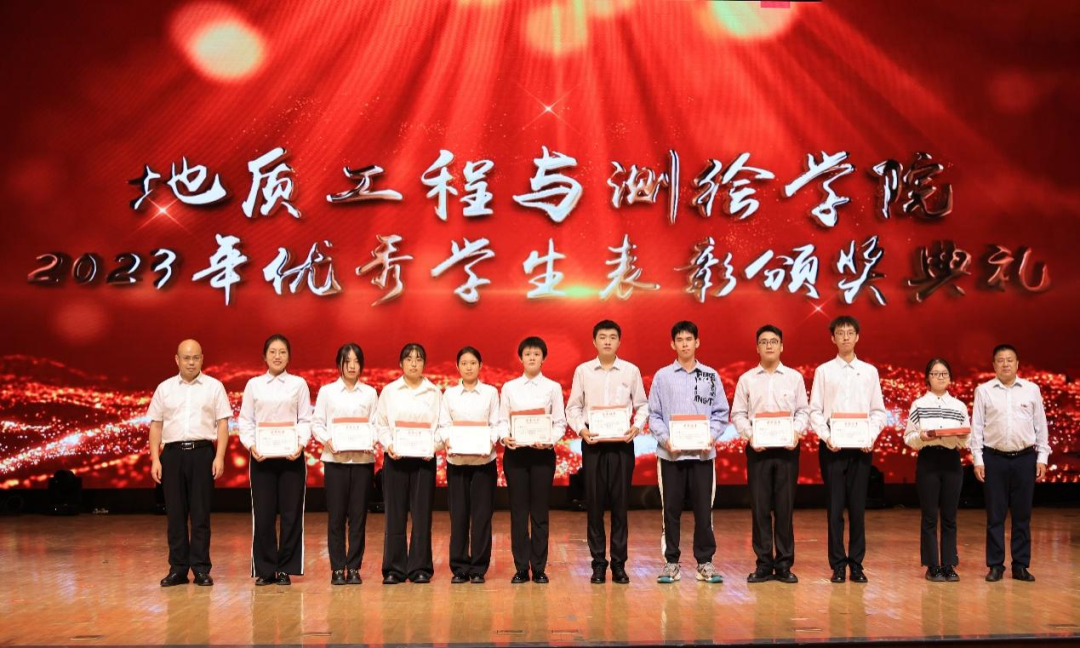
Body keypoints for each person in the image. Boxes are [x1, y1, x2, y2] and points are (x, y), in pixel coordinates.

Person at [565, 320, 648, 585]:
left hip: (622, 445)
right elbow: (573, 408)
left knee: (621, 507)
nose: (608, 341)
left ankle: (619, 565)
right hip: (593, 444)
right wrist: (581, 430)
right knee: (594, 506)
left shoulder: (631, 371)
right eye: (602, 337)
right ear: (594, 341)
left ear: (619, 341)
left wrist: (636, 427)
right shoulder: (583, 371)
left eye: (613, 337)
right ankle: (598, 564)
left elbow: (642, 405)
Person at [648, 321, 728, 585]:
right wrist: (666, 439)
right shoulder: (662, 377)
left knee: (704, 511)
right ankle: (671, 562)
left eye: (689, 339)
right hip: (670, 456)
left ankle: (705, 562)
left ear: (697, 342)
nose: (684, 344)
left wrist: (711, 436)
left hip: (703, 456)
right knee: (670, 511)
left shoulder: (711, 376)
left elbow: (721, 413)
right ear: (672, 344)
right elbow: (653, 415)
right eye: (680, 339)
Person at [808, 316, 887, 583]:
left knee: (857, 508)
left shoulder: (869, 372)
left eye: (850, 332)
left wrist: (870, 436)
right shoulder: (824, 371)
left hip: (861, 447)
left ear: (857, 337)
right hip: (833, 445)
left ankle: (857, 563)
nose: (845, 337)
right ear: (833, 338)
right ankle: (838, 564)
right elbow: (815, 410)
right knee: (835, 508)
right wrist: (827, 436)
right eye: (840, 333)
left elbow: (878, 411)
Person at [148, 339, 232, 587]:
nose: (191, 362)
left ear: (202, 359)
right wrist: (155, 459)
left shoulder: (214, 387)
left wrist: (219, 456)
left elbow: (223, 424)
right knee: (175, 514)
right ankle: (178, 569)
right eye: (186, 358)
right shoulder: (164, 388)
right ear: (177, 360)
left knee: (200, 514)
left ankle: (201, 568)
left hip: (202, 453)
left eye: (195, 357)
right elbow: (156, 425)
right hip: (172, 454)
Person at [731, 324, 809, 584]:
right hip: (758, 451)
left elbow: (803, 411)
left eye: (773, 341)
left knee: (785, 509)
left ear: (781, 346)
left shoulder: (794, 378)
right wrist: (750, 435)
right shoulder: (747, 379)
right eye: (764, 342)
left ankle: (784, 564)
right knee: (760, 508)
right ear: (757, 347)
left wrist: (796, 432)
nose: (769, 346)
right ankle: (764, 563)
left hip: (787, 451)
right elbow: (738, 414)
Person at [970, 344, 1051, 583]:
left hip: (1025, 459)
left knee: (1022, 515)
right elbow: (977, 427)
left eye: (1009, 360)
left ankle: (1020, 565)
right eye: (1000, 360)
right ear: (993, 365)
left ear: (1017, 364)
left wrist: (1042, 457)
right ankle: (995, 565)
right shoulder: (984, 391)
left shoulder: (1031, 390)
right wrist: (978, 459)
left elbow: (1041, 425)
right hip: (994, 458)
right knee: (995, 516)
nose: (1005, 364)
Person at [238, 334, 313, 586]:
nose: (277, 356)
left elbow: (305, 419)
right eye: (272, 352)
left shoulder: (298, 384)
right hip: (261, 458)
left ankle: (286, 568)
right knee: (263, 514)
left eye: (282, 352)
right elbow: (245, 420)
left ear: (289, 357)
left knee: (292, 515)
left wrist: (300, 444)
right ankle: (266, 568)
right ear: (264, 356)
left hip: (292, 457)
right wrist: (252, 445)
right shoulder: (254, 385)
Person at [498, 336, 567, 584]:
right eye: (527, 354)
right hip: (516, 455)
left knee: (539, 513)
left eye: (536, 354)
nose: (532, 358)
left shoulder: (553, 388)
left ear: (543, 358)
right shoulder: (509, 387)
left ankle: (538, 567)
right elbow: (502, 420)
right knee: (518, 513)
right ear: (521, 358)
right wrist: (505, 437)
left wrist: (550, 439)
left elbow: (559, 422)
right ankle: (520, 568)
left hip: (542, 455)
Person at [312, 343, 379, 585]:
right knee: (336, 517)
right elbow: (317, 423)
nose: (352, 366)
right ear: (339, 364)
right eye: (347, 361)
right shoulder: (327, 392)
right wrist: (327, 440)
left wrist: (371, 440)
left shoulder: (370, 393)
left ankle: (354, 566)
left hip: (362, 462)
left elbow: (376, 424)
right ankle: (338, 568)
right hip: (335, 461)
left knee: (359, 517)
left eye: (356, 361)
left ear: (362, 364)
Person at [375, 343, 441, 584]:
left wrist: (433, 446)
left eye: (419, 358)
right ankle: (394, 568)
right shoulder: (390, 391)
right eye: (409, 358)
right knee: (395, 515)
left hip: (424, 460)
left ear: (424, 363)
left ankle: (420, 568)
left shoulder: (434, 392)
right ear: (400, 363)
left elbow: (442, 426)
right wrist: (389, 444)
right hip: (396, 459)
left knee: (422, 516)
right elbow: (381, 424)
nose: (414, 363)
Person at [903, 357, 969, 583]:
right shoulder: (919, 405)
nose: (940, 377)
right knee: (930, 516)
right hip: (928, 460)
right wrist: (921, 437)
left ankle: (949, 564)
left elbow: (966, 439)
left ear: (950, 378)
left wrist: (961, 437)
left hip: (952, 460)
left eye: (944, 374)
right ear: (927, 378)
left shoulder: (959, 406)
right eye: (935, 373)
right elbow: (909, 437)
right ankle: (932, 565)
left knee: (950, 516)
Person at [438, 346, 500, 584]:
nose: (468, 367)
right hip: (457, 462)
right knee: (459, 516)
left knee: (482, 517)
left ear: (480, 366)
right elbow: (444, 424)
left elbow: (495, 424)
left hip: (484, 461)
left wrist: (489, 442)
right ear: (458, 367)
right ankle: (460, 567)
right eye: (464, 363)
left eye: (473, 363)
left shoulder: (490, 393)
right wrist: (448, 440)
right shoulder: (450, 394)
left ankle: (478, 568)